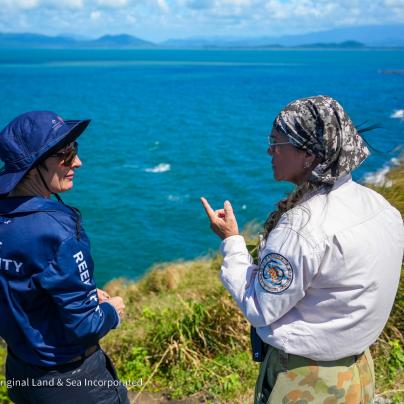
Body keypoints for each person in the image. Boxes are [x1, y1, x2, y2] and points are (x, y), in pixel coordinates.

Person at [201, 95, 403, 403]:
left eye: (276, 142)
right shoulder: (380, 206)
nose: (269, 151)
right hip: (358, 371)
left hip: (306, 380)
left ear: (307, 154)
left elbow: (260, 307)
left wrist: (231, 240)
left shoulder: (302, 227)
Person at [0, 111, 129, 403]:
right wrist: (112, 312)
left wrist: (74, 292)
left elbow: (17, 286)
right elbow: (85, 326)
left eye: (75, 151)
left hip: (20, 373)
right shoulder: (58, 232)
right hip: (74, 383)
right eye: (65, 154)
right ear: (33, 167)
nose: (77, 162)